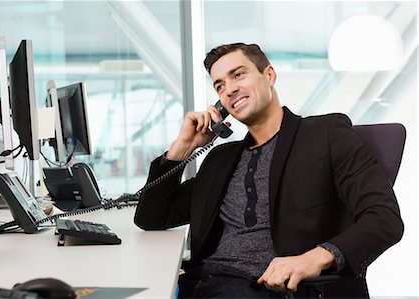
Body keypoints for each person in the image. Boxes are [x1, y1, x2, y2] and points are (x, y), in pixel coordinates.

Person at [134, 43, 403, 298]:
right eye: (219, 86)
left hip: (265, 288)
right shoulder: (220, 159)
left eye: (238, 74)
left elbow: (384, 219)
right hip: (200, 284)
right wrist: (182, 148)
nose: (229, 89)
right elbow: (152, 217)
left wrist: (315, 257)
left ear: (269, 75)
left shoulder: (325, 134)